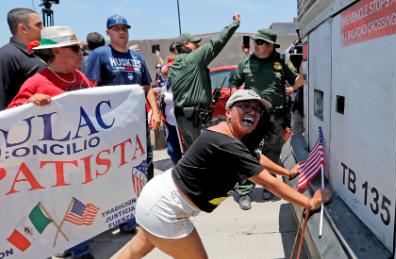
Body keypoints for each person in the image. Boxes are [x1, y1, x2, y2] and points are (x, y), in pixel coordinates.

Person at [117, 89, 331, 259]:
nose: (252, 112)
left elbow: (255, 157)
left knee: (132, 254)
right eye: (244, 106)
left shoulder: (229, 136)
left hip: (158, 199)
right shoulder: (226, 143)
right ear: (228, 112)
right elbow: (270, 184)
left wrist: (286, 171)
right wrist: (309, 202)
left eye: (256, 109)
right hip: (167, 209)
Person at [8, 26, 95, 259]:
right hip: (50, 167)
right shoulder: (36, 82)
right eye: (75, 48)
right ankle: (72, 251)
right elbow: (10, 121)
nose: (81, 53)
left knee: (78, 205)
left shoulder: (81, 78)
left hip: (80, 160)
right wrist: (29, 105)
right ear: (57, 51)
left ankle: (79, 248)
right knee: (55, 210)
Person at [84, 14, 159, 234]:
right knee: (116, 172)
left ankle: (142, 210)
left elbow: (147, 88)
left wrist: (155, 111)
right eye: (115, 28)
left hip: (136, 125)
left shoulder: (137, 58)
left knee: (143, 167)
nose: (121, 31)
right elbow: (90, 87)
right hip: (111, 127)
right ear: (108, 32)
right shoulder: (100, 54)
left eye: (124, 27)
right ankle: (121, 217)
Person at [229, 28, 305, 210]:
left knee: (272, 152)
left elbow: (298, 79)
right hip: (251, 115)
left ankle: (269, 188)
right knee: (247, 153)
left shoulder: (281, 61)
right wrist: (234, 106)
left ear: (271, 46)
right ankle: (245, 191)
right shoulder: (246, 61)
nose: (257, 45)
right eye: (256, 41)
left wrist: (294, 86)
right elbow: (234, 83)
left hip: (275, 117)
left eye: (261, 42)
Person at [169, 13, 240, 151]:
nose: (197, 46)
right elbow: (216, 43)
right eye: (195, 43)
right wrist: (234, 23)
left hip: (183, 121)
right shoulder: (194, 59)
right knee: (208, 157)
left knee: (194, 159)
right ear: (187, 45)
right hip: (197, 121)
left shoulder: (173, 67)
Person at [0, 8, 45, 110]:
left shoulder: (41, 52)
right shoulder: (6, 56)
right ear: (23, 28)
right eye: (38, 25)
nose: (43, 28)